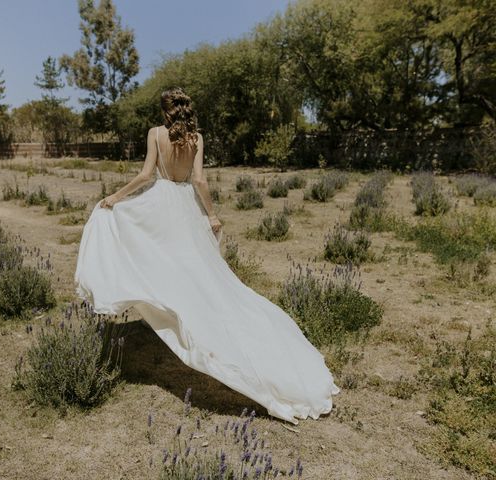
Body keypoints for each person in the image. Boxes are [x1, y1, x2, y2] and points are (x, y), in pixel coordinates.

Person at [74, 86, 339, 424]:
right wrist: (211, 215)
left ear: (165, 111)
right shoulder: (197, 138)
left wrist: (115, 196)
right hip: (185, 207)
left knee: (160, 261)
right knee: (200, 274)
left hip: (160, 205)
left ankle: (178, 313)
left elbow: (145, 176)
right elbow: (199, 181)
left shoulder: (155, 134)